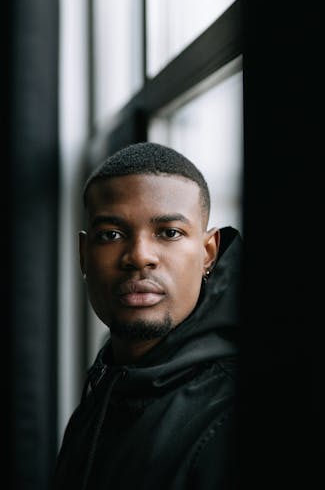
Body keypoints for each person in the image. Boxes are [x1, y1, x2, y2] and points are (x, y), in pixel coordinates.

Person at [53, 141, 242, 490]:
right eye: (111, 234)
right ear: (83, 255)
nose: (139, 256)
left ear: (208, 254)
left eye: (169, 233)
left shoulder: (231, 417)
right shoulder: (107, 383)